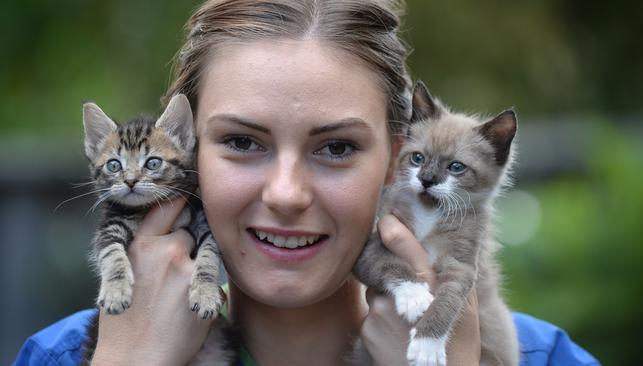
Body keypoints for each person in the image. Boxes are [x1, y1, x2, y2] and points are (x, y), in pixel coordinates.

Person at [15, 1, 600, 365]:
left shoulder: (542, 358)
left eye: (337, 148)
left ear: (397, 160)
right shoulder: (65, 357)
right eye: (242, 142)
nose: (286, 194)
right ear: (187, 150)